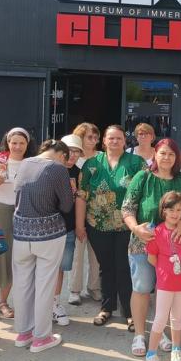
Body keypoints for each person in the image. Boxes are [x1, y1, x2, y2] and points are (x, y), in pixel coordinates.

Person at [121, 139, 181, 356]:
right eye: (163, 153)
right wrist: (135, 228)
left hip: (174, 246)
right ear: (155, 154)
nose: (167, 158)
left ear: (177, 157)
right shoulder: (142, 177)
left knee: (164, 290)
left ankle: (159, 330)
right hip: (143, 242)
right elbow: (127, 208)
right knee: (142, 287)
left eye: (171, 154)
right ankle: (139, 334)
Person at [76, 125, 145, 329]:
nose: (114, 141)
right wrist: (79, 225)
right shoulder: (91, 164)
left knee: (124, 267)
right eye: (110, 138)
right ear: (104, 141)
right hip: (97, 225)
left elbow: (144, 192)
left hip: (127, 226)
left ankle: (130, 312)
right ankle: (106, 308)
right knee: (105, 267)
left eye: (118, 138)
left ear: (125, 141)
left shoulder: (136, 163)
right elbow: (81, 196)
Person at [11, 139, 74, 353]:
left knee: (22, 284)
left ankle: (23, 333)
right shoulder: (57, 168)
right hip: (48, 233)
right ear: (62, 155)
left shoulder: (25, 163)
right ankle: (41, 337)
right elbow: (67, 205)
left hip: (21, 232)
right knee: (45, 285)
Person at [0, 127, 34, 322]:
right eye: (14, 142)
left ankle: (3, 302)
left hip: (22, 213)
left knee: (13, 258)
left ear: (27, 144)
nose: (17, 146)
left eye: (22, 143)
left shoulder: (31, 162)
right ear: (7, 143)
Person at [144, 192, 181, 361]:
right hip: (165, 284)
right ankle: (151, 355)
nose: (175, 213)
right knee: (160, 318)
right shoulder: (158, 232)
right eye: (171, 209)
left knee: (177, 317)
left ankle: (176, 349)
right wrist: (165, 272)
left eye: (179, 210)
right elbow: (152, 258)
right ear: (163, 211)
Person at [51, 134, 84, 327]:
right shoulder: (50, 169)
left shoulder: (79, 172)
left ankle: (54, 304)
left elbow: (80, 200)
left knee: (61, 267)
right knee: (44, 267)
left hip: (68, 227)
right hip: (48, 228)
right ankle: (40, 305)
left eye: (77, 152)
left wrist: (79, 226)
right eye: (69, 151)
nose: (72, 155)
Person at [68, 123, 101, 305]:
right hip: (76, 211)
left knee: (96, 254)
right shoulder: (73, 158)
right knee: (77, 253)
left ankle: (94, 287)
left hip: (98, 212)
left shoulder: (102, 157)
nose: (93, 140)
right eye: (89, 137)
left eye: (96, 137)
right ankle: (74, 289)